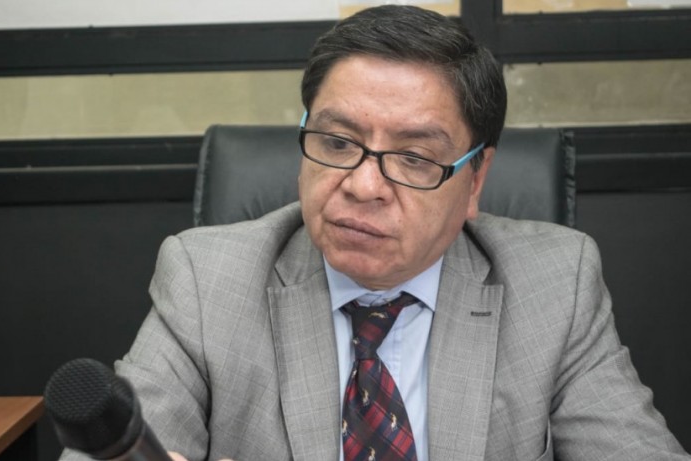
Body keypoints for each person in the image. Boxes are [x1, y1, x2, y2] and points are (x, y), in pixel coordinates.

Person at [61, 5, 689, 461]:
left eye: (414, 158)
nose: (363, 185)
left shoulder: (554, 284)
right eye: (337, 142)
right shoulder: (207, 282)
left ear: (474, 180)